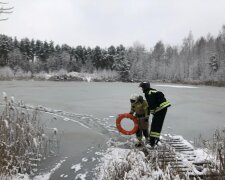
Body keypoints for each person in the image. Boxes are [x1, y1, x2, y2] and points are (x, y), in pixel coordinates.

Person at [139, 82, 171, 147]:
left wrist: (151, 112)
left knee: (155, 125)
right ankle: (154, 140)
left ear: (145, 87)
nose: (141, 89)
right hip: (162, 108)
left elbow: (152, 104)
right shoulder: (152, 90)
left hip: (160, 109)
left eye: (142, 87)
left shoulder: (148, 93)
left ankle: (153, 142)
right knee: (156, 124)